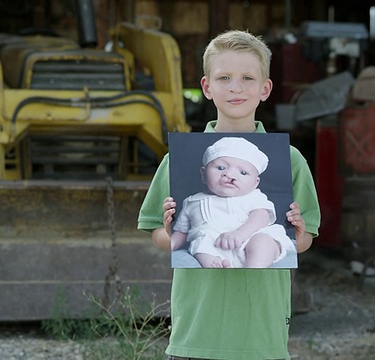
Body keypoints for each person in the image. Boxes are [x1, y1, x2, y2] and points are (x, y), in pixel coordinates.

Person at [137, 29, 320, 360]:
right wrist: (171, 232)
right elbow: (158, 236)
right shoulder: (176, 160)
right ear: (207, 87)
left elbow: (302, 242)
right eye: (224, 77)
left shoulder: (290, 160)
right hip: (196, 329)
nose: (236, 87)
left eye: (248, 77)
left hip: (261, 332)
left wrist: (299, 235)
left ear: (265, 89)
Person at [171, 136, 296, 268]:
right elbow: (182, 232)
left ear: (255, 183)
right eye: (221, 168)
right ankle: (216, 265)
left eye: (243, 172)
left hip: (249, 240)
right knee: (200, 247)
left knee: (262, 242)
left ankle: (254, 270)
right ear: (203, 173)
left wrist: (240, 234)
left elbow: (261, 217)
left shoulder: (254, 197)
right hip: (214, 247)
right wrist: (171, 243)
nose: (230, 175)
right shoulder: (191, 202)